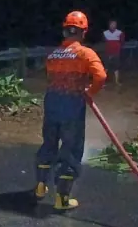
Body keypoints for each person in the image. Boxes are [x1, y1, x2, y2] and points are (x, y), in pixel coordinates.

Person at [35, 11, 107, 210]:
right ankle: (62, 199)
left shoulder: (53, 54)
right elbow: (100, 76)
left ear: (65, 30)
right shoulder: (85, 53)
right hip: (71, 105)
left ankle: (41, 186)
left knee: (48, 143)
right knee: (71, 149)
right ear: (83, 32)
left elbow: (50, 77)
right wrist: (90, 91)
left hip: (51, 103)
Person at [102, 20, 125, 85]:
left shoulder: (120, 33)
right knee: (106, 67)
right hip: (108, 53)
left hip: (116, 53)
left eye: (114, 24)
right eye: (112, 24)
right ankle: (102, 82)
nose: (113, 25)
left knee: (116, 67)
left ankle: (117, 81)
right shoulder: (105, 33)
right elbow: (104, 42)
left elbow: (122, 42)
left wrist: (118, 48)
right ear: (109, 25)